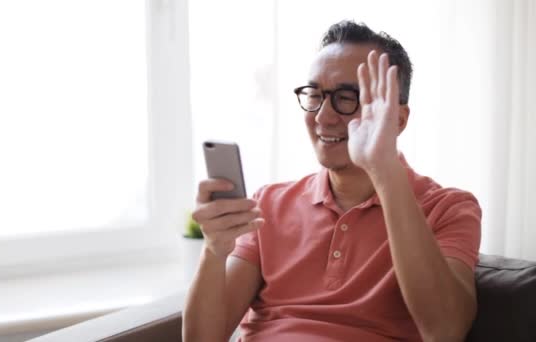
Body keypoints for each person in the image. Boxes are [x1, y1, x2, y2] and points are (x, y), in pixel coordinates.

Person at [183, 20, 481, 342]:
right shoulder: (268, 203)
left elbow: (446, 330)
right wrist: (215, 250)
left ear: (398, 119)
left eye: (347, 97)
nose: (323, 117)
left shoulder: (449, 208)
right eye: (315, 95)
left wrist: (385, 172)